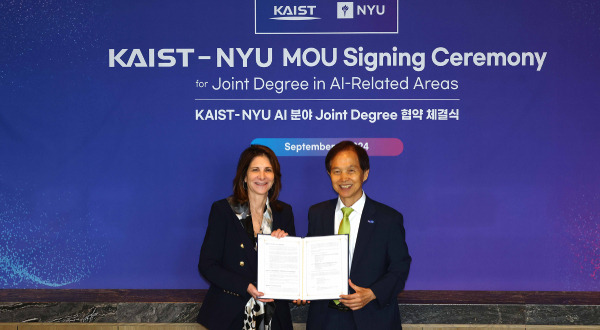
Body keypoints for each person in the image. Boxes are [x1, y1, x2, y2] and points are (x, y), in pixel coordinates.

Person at [305, 141, 411, 330]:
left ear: (365, 173)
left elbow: (400, 267)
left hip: (372, 318)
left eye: (351, 170)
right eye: (336, 171)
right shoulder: (317, 213)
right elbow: (309, 260)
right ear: (329, 174)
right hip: (325, 319)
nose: (343, 178)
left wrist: (372, 293)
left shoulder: (388, 218)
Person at [197, 145, 295, 330]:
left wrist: (284, 246)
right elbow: (207, 265)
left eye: (268, 170)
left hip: (274, 318)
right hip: (230, 315)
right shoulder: (223, 210)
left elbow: (292, 268)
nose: (262, 176)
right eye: (255, 170)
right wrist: (246, 286)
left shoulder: (284, 213)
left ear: (275, 177)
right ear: (244, 176)